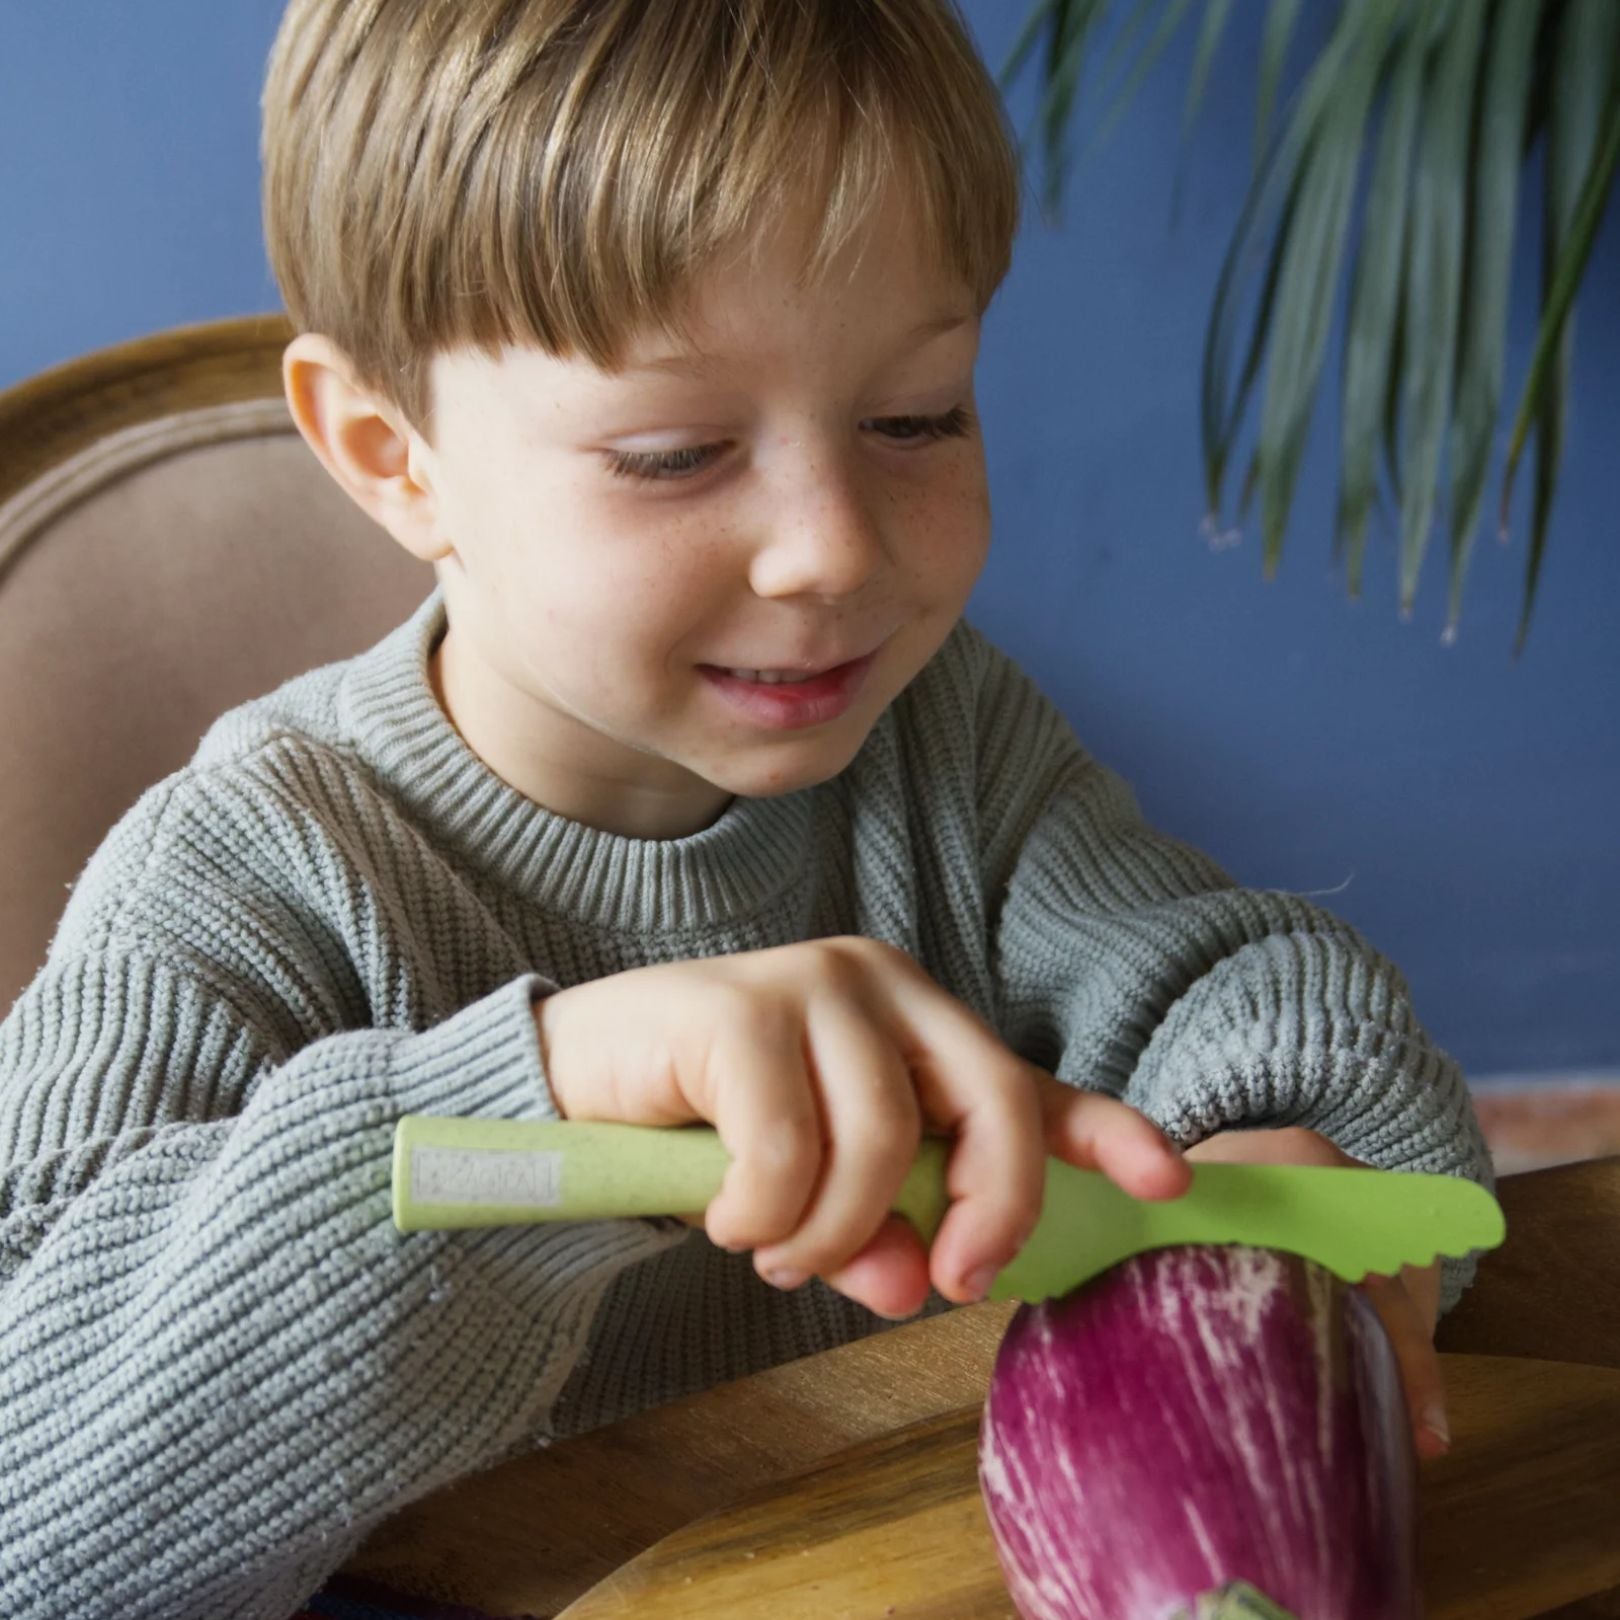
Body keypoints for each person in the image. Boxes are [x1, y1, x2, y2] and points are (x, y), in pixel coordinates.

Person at [0, 2, 1494, 1616]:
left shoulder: (949, 742)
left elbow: (1241, 983)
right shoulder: (242, 869)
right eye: (674, 452)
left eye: (916, 416)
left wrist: (1278, 1167)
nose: (832, 550)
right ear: (392, 453)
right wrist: (546, 1107)